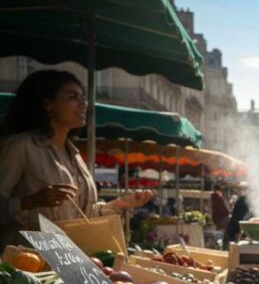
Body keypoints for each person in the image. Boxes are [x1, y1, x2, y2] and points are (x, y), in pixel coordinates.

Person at [0, 70, 152, 246]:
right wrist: (31, 201)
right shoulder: (21, 146)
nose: (83, 104)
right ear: (48, 104)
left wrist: (119, 204)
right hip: (29, 263)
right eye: (73, 97)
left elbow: (82, 215)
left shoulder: (75, 156)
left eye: (83, 98)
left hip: (69, 264)